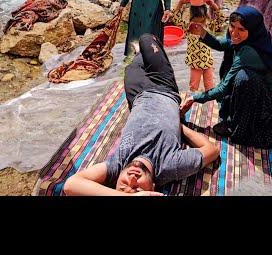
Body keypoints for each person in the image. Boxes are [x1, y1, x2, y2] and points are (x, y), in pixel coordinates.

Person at [63, 34, 220, 196]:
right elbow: (212, 150)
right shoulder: (170, 166)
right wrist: (179, 127)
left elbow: (71, 185)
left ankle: (139, 53)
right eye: (137, 188)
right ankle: (144, 50)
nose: (131, 180)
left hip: (136, 95)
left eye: (123, 187)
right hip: (164, 87)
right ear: (152, 188)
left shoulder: (117, 164)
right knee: (146, 39)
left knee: (133, 65)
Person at [180, 6, 272, 148]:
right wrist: (202, 32)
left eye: (241, 30)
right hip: (260, 92)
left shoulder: (250, 52)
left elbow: (222, 89)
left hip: (271, 105)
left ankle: (243, 130)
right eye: (232, 27)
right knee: (241, 78)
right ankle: (239, 120)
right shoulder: (253, 39)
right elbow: (222, 44)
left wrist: (194, 98)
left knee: (242, 78)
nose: (234, 33)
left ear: (251, 30)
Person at [170, 0, 225, 91]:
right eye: (195, 21)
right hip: (195, 64)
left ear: (205, 17)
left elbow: (221, 18)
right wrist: (180, 2)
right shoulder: (188, 28)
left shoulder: (209, 27)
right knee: (193, 86)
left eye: (201, 21)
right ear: (191, 18)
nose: (197, 25)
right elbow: (174, 17)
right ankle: (192, 103)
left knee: (210, 86)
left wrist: (213, 4)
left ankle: (209, 104)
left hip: (207, 63)